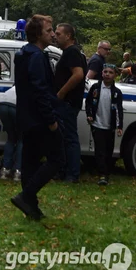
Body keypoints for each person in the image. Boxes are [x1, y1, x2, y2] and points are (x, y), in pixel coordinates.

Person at [11, 14, 64, 221]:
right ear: (37, 33)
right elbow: (39, 91)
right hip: (39, 118)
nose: (52, 34)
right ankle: (26, 196)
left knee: (30, 162)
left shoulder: (24, 53)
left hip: (25, 116)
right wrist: (51, 120)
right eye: (49, 30)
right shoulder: (36, 57)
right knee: (57, 158)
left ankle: (31, 207)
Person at [54, 23, 87, 183]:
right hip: (68, 102)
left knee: (69, 138)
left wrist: (61, 92)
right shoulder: (71, 52)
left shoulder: (72, 52)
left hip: (67, 102)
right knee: (64, 137)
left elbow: (78, 74)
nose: (55, 36)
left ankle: (72, 174)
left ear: (68, 36)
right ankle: (65, 171)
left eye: (59, 34)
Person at [86, 64, 123, 185]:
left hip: (110, 126)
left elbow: (119, 110)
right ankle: (102, 174)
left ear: (115, 75)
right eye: (105, 72)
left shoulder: (116, 92)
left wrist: (119, 126)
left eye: (110, 72)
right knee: (100, 149)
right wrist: (89, 114)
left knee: (109, 150)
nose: (107, 74)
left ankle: (106, 170)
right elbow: (89, 102)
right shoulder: (95, 88)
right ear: (101, 73)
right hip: (97, 124)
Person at [0, 84, 22, 182]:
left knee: (11, 138)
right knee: (21, 139)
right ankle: (18, 171)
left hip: (2, 103)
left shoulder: (14, 86)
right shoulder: (32, 86)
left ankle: (5, 170)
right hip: (16, 105)